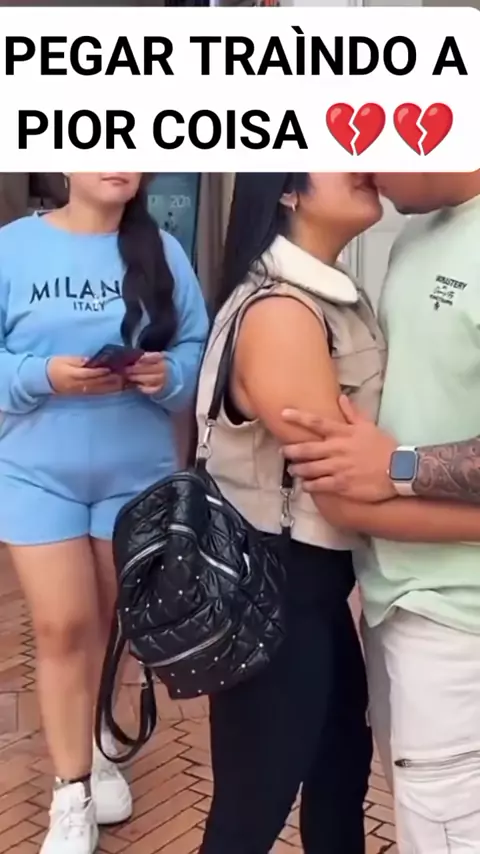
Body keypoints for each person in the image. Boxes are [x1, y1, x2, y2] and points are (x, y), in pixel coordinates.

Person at [0, 172, 209, 854]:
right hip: (36, 473)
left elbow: (197, 348)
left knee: (113, 625)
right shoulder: (15, 247)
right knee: (63, 625)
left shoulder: (163, 251)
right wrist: (42, 375)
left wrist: (166, 375)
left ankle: (101, 739)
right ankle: (71, 793)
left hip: (134, 477)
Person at [281, 171, 480, 853]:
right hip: (399, 604)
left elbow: (370, 472)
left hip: (460, 622)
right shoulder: (416, 235)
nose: (362, 165)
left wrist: (399, 467)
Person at [194, 171, 386, 854]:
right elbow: (342, 488)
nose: (365, 164)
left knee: (338, 778)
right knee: (252, 811)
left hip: (312, 593)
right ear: (287, 190)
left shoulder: (331, 296)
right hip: (277, 591)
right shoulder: (282, 312)